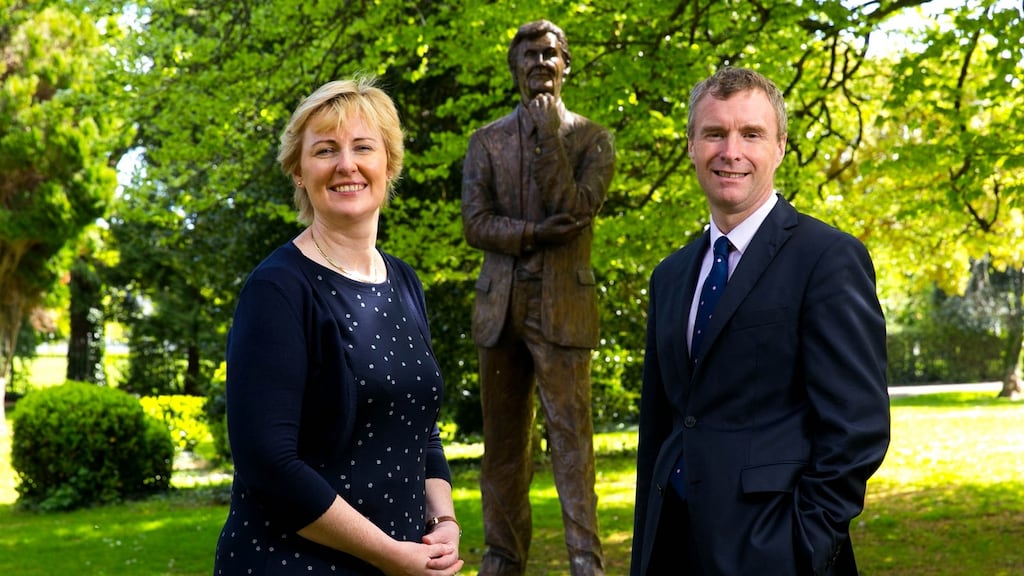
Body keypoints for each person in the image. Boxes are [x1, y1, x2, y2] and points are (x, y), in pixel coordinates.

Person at [630, 67, 890, 576]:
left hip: (775, 549)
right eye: (714, 133)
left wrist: (804, 542)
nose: (731, 151)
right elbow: (662, 426)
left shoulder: (827, 258)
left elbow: (857, 426)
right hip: (671, 546)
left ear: (780, 147)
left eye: (751, 133)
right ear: (690, 146)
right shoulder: (671, 275)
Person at [213, 77, 463, 576]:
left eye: (363, 147)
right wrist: (392, 555)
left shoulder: (404, 281)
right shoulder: (278, 289)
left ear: (388, 165)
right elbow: (269, 466)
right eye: (325, 150)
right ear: (299, 173)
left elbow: (419, 430)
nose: (346, 165)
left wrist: (445, 519)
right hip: (293, 564)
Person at [461, 19, 615, 576]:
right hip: (499, 309)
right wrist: (529, 235)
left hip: (562, 309)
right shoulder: (486, 142)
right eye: (528, 56)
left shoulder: (592, 140)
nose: (539, 63)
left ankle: (584, 561)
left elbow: (572, 211)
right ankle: (502, 556)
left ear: (565, 64)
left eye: (549, 54)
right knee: (503, 446)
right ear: (514, 68)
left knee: (572, 442)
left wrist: (548, 136)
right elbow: (476, 223)